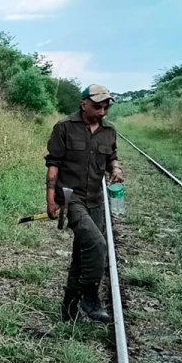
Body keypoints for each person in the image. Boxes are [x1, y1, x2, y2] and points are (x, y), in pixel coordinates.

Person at [45, 84, 124, 323]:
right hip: (71, 198)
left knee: (82, 252)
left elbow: (111, 157)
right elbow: (53, 164)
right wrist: (51, 200)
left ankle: (69, 307)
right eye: (97, 107)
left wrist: (116, 168)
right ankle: (90, 296)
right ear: (83, 104)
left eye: (106, 107)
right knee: (97, 244)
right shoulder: (64, 127)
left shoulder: (109, 131)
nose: (102, 112)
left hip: (95, 200)